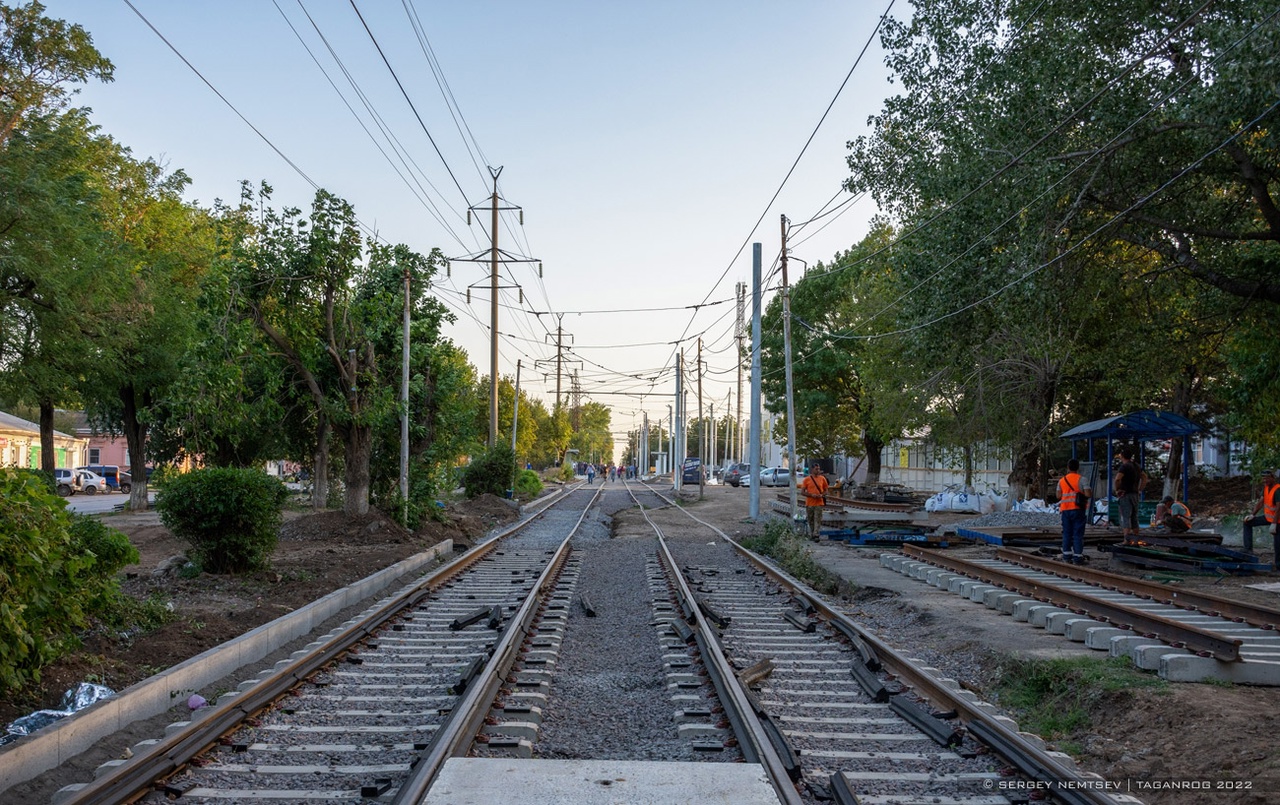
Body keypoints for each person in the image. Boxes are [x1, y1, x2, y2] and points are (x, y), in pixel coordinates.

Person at [1057, 458, 1090, 564]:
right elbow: (1088, 494)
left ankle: (1066, 556)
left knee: (1066, 533)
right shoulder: (1082, 479)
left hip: (1065, 510)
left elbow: (1058, 495)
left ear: (1068, 467)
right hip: (1078, 510)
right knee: (1078, 533)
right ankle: (1078, 557)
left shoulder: (1062, 480)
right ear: (1078, 468)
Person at [1113, 449, 1148, 542]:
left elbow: (1117, 479)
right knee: (1134, 517)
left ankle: (1126, 540)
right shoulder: (1137, 466)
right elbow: (1144, 477)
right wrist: (1140, 489)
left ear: (1122, 456)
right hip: (1135, 494)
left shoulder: (1124, 467)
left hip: (1125, 494)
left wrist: (1117, 490)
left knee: (1126, 517)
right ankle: (1136, 539)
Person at [1242, 469, 1279, 553]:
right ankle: (1248, 549)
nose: (1265, 480)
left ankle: (1278, 565)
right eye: (1263, 478)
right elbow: (1260, 502)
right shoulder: (1266, 488)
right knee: (1247, 522)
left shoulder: (1277, 490)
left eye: (1267, 478)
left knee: (1278, 546)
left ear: (1273, 478)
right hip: (1268, 517)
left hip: (1278, 520)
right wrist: (1252, 515)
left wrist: (1274, 523)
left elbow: (1278, 508)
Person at [798, 464, 829, 542]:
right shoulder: (807, 480)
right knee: (810, 520)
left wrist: (821, 495)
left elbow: (826, 490)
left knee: (817, 519)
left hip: (819, 502)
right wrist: (811, 495)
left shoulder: (822, 479)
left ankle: (816, 534)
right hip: (810, 503)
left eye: (818, 469)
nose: (818, 470)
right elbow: (802, 492)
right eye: (816, 469)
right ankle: (812, 533)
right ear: (812, 470)